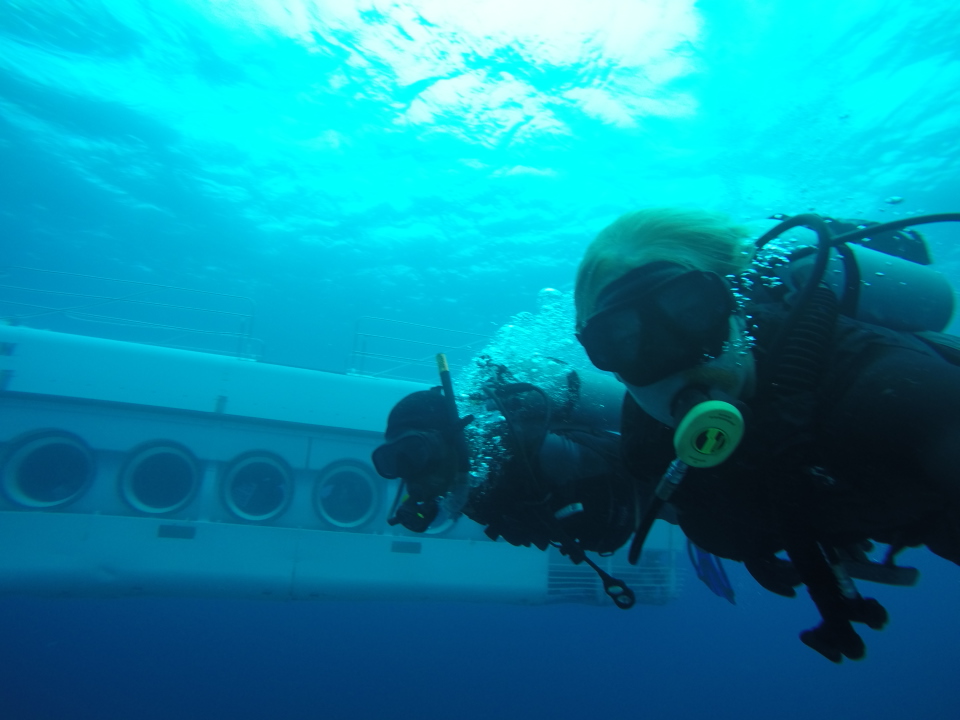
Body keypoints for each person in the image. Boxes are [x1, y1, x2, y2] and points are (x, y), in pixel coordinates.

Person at [574, 207, 960, 662]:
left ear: (736, 309)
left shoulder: (879, 387)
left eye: (690, 312)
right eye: (622, 339)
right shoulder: (648, 448)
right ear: (609, 365)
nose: (672, 358)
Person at [371, 355, 645, 608]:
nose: (413, 473)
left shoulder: (533, 450)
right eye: (393, 461)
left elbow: (636, 468)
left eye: (416, 451)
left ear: (451, 436)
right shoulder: (464, 482)